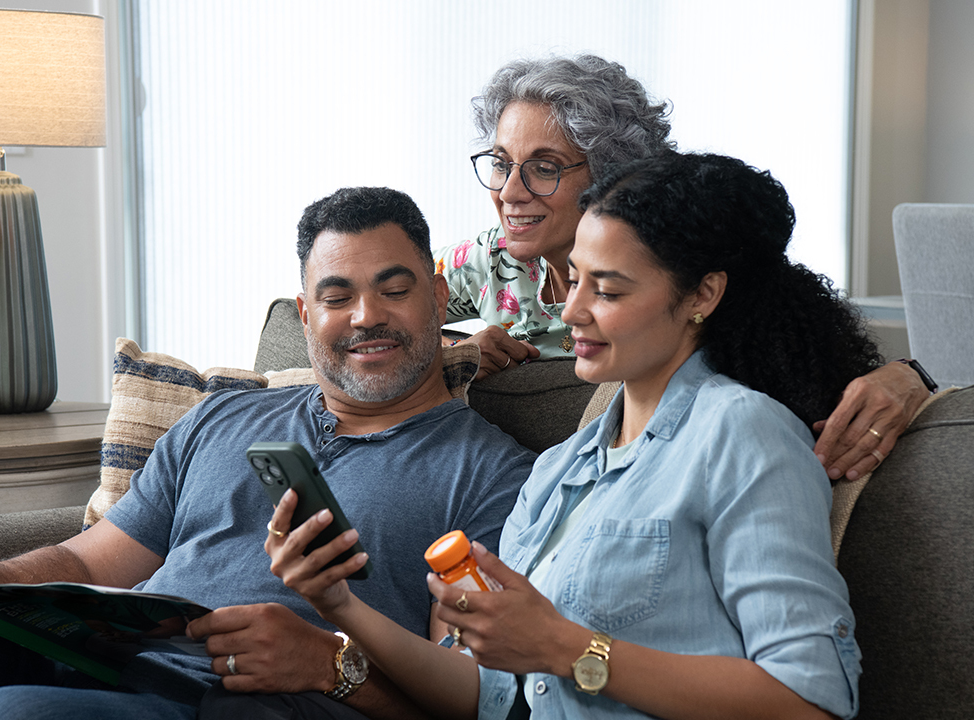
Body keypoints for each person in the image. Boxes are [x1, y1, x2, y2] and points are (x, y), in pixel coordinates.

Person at [268, 153, 875, 720]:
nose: (572, 311)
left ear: (702, 295)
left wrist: (566, 647)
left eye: (607, 290)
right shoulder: (560, 467)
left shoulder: (743, 434)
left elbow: (809, 697)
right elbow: (487, 694)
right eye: (574, 281)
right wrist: (339, 605)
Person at [0, 187, 537, 720]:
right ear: (307, 315)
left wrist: (331, 665)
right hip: (111, 666)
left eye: (394, 289)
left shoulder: (490, 476)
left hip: (250, 704)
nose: (366, 315)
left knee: (8, 717)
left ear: (437, 292)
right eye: (338, 297)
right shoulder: (222, 416)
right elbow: (82, 562)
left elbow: (476, 701)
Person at [436, 54, 932, 482]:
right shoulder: (489, 261)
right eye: (501, 162)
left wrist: (911, 376)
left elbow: (796, 345)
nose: (508, 191)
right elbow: (383, 315)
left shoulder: (683, 277)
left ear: (612, 174)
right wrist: (455, 350)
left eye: (545, 167)